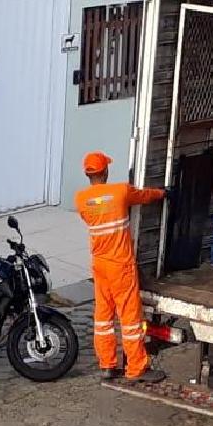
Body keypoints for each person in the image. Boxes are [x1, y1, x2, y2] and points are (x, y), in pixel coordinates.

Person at [74, 151, 167, 383]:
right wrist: (163, 193)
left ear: (88, 174)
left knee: (103, 317)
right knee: (130, 317)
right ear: (105, 171)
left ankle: (107, 364)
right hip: (120, 265)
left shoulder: (81, 200)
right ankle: (137, 368)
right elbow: (144, 196)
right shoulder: (120, 192)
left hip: (100, 264)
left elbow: (93, 213)